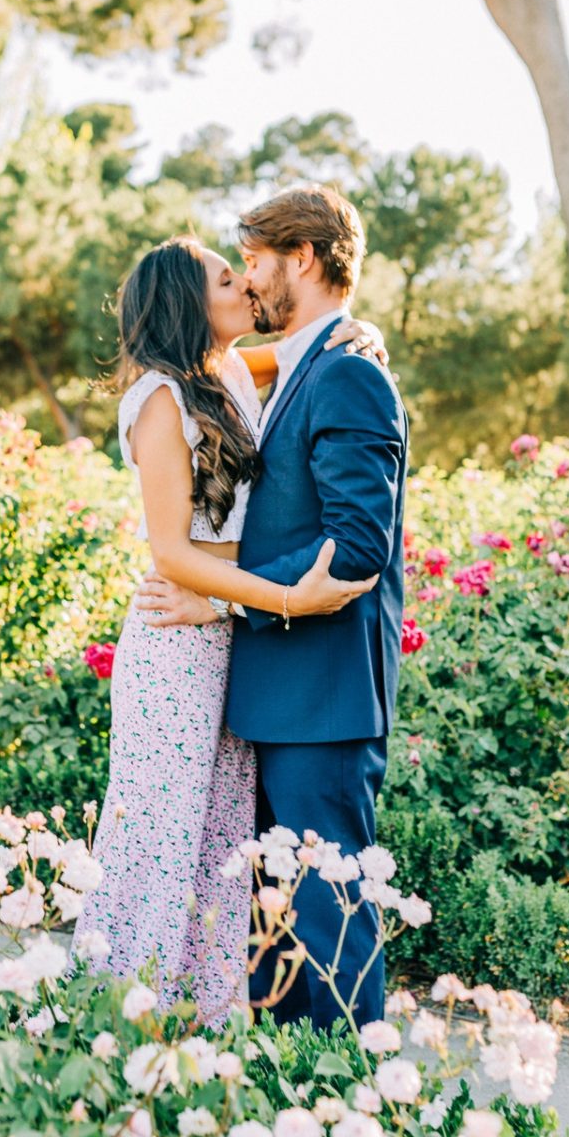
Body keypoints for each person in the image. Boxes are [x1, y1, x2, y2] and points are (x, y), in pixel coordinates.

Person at [70, 232, 380, 1028]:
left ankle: (198, 1028)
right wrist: (283, 600)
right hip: (177, 648)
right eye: (223, 277)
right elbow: (170, 550)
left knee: (217, 845)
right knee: (158, 838)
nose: (244, 282)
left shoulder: (233, 372)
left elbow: (306, 353)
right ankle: (116, 1020)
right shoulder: (160, 402)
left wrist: (361, 331)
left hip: (227, 642)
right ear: (187, 303)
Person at [135, 184, 409, 1032]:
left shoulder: (349, 375)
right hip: (279, 693)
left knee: (326, 909)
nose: (248, 279)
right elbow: (213, 373)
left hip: (323, 696)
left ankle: (353, 1101)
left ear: (303, 260)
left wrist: (226, 606)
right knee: (278, 915)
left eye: (254, 260)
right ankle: (291, 1097)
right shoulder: (304, 365)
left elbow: (358, 545)